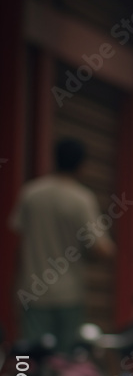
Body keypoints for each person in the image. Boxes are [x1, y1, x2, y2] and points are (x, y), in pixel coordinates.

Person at [9, 138, 116, 351]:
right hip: (69, 295)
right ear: (81, 165)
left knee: (30, 359)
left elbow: (17, 243)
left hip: (32, 291)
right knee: (65, 365)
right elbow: (102, 248)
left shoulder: (31, 193)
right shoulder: (81, 199)